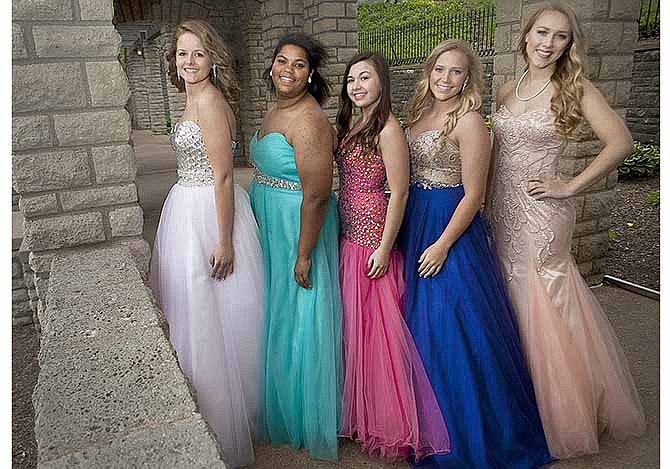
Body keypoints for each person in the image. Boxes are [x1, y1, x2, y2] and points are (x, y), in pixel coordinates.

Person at [486, 2, 646, 459]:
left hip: (543, 214)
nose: (547, 43)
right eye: (541, 32)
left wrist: (570, 185)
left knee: (545, 297)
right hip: (502, 207)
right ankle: (524, 397)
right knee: (510, 296)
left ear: (568, 44)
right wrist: (482, 203)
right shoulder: (506, 89)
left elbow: (621, 142)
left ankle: (564, 407)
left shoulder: (573, 88)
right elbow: (497, 152)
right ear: (526, 35)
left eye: (559, 36)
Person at [398, 39, 552, 469]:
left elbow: (475, 195)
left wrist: (444, 244)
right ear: (428, 72)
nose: (446, 79)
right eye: (440, 70)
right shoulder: (419, 116)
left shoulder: (469, 123)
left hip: (451, 226)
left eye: (456, 73)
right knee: (417, 321)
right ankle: (423, 426)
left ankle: (469, 435)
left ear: (469, 79)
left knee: (453, 323)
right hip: (417, 220)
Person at [150, 19, 264, 468]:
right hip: (186, 206)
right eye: (182, 54)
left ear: (212, 59)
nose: (190, 62)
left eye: (198, 53)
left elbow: (222, 174)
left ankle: (223, 413)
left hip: (210, 213)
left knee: (215, 308)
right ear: (174, 62)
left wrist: (224, 240)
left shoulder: (212, 102)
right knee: (193, 307)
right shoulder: (189, 97)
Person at [335, 52, 450, 461]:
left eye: (365, 78)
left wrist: (385, 247)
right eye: (351, 79)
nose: (357, 85)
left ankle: (389, 422)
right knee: (355, 330)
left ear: (381, 83)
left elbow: (399, 191)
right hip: (349, 234)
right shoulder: (350, 123)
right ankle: (362, 414)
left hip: (374, 237)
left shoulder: (387, 128)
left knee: (378, 333)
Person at [248, 32, 342, 461]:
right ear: (271, 67)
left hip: (298, 223)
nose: (288, 70)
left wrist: (303, 252)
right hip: (272, 217)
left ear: (311, 74)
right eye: (281, 61)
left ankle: (304, 412)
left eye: (299, 64)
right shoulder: (275, 110)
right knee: (278, 308)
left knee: (299, 310)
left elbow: (318, 194)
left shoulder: (310, 120)